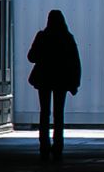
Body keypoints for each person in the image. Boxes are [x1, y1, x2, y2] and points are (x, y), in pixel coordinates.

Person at [27, 9, 82, 162]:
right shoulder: (67, 38)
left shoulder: (42, 36)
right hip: (61, 80)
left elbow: (31, 57)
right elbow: (75, 61)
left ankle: (44, 145)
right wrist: (75, 82)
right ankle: (58, 146)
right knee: (59, 113)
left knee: (44, 112)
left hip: (44, 79)